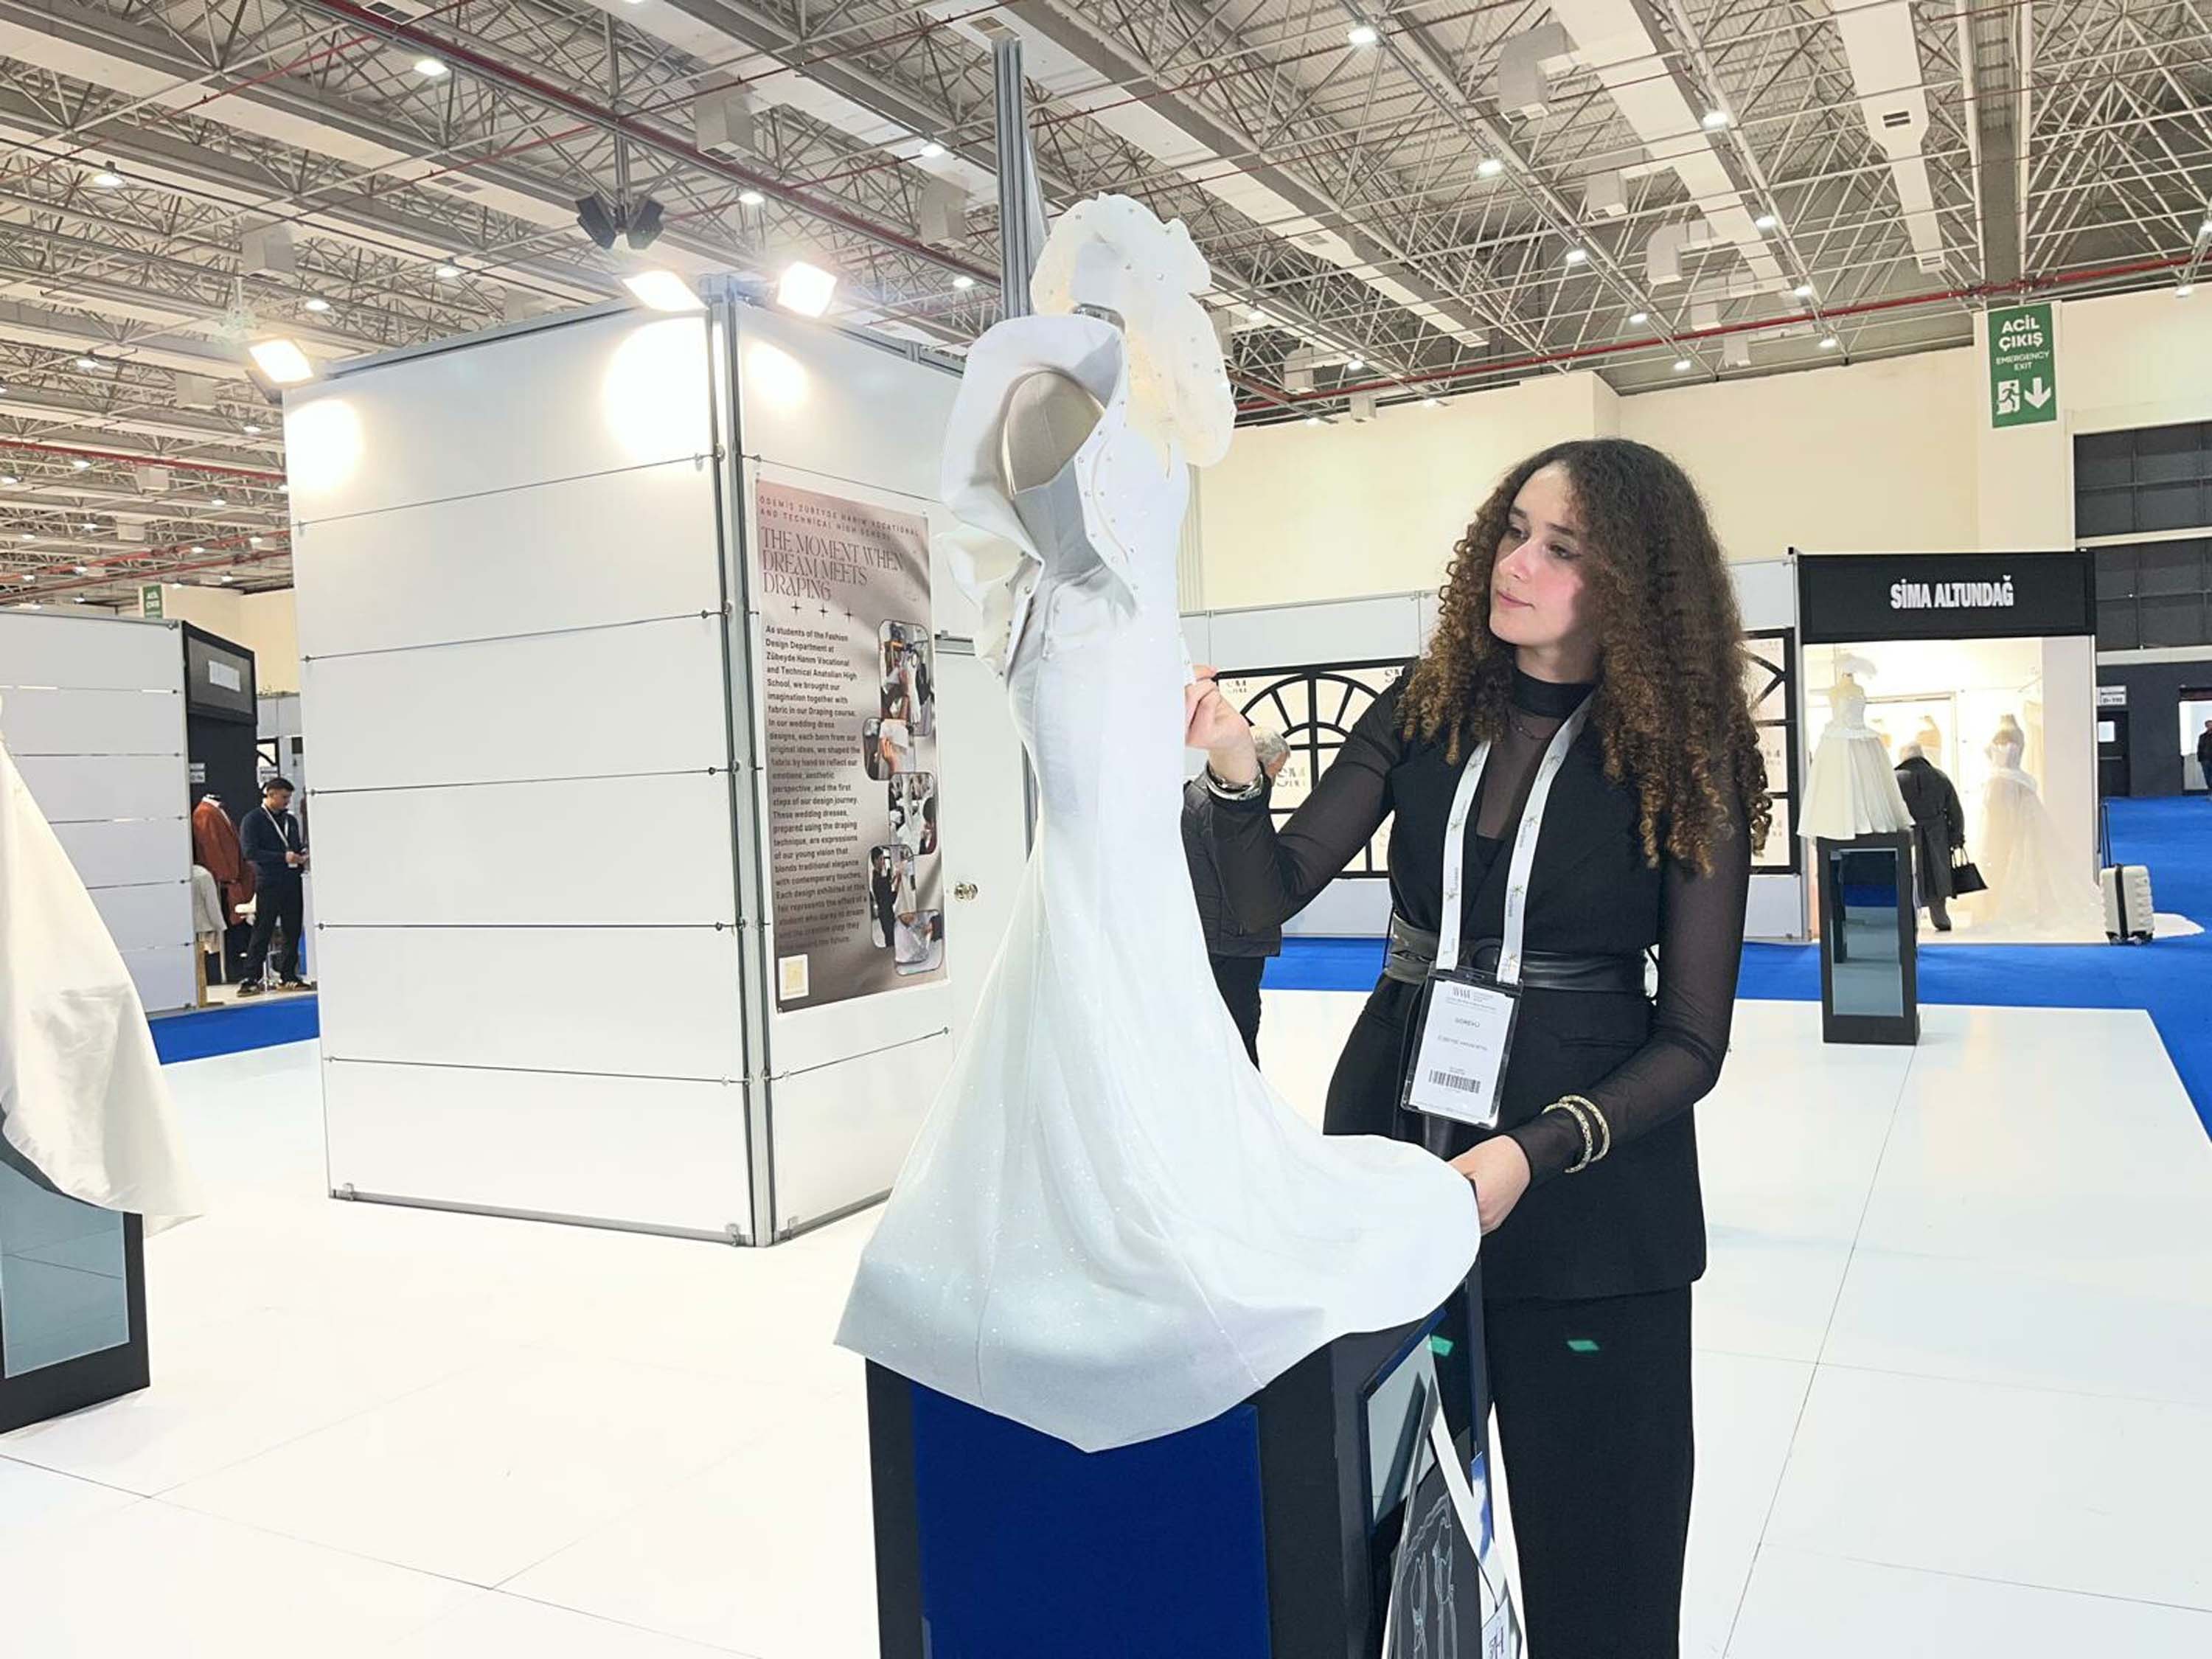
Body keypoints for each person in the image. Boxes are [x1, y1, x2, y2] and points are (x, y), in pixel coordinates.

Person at [1186, 438, 1768, 1659]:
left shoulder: (1683, 747)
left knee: (1603, 1582)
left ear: (1632, 583)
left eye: (1562, 548)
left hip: (1591, 1210)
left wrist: (1530, 1153)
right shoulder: (1430, 702)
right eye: (1512, 531)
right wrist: (1236, 777)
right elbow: (1264, 898)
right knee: (1373, 1556)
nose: (1517, 563)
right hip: (1393, 1168)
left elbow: (1693, 1040)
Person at [1181, 726, 1290, 1063]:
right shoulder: (1225, 808)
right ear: (1255, 763)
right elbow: (1245, 874)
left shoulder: (1199, 794)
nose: (1273, 781)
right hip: (1233, 936)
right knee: (1240, 1027)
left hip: (1218, 933)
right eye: (1275, 772)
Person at [236, 776, 313, 995]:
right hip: (269, 881)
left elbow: (294, 846)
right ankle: (250, 977)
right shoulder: (253, 820)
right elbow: (250, 852)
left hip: (292, 880)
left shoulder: (290, 820)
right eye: (284, 797)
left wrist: (301, 855)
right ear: (270, 795)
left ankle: (288, 975)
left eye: (289, 797)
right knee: (263, 929)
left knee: (292, 929)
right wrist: (282, 857)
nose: (287, 802)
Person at [1893, 742, 1966, 931]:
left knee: (1908, 876)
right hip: (1937, 835)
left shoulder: (1895, 779)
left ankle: (1909, 920)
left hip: (1907, 836)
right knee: (1937, 877)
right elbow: (1955, 810)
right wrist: (1956, 836)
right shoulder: (1940, 777)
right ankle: (1940, 916)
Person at [2197, 718, 2211, 792]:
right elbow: (2200, 747)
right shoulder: (2202, 737)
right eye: (2209, 725)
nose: (2210, 726)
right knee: (2207, 775)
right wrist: (2199, 758)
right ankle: (2210, 789)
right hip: (2205, 759)